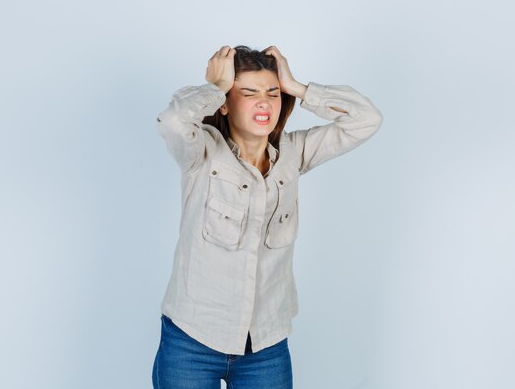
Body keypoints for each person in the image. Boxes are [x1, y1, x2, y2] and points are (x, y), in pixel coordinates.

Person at [153, 45, 383, 389]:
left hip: (265, 348)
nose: (264, 102)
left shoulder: (294, 155)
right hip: (191, 341)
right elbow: (173, 120)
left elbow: (367, 119)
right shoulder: (201, 152)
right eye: (248, 92)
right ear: (226, 105)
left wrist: (298, 87)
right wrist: (215, 87)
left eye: (272, 93)